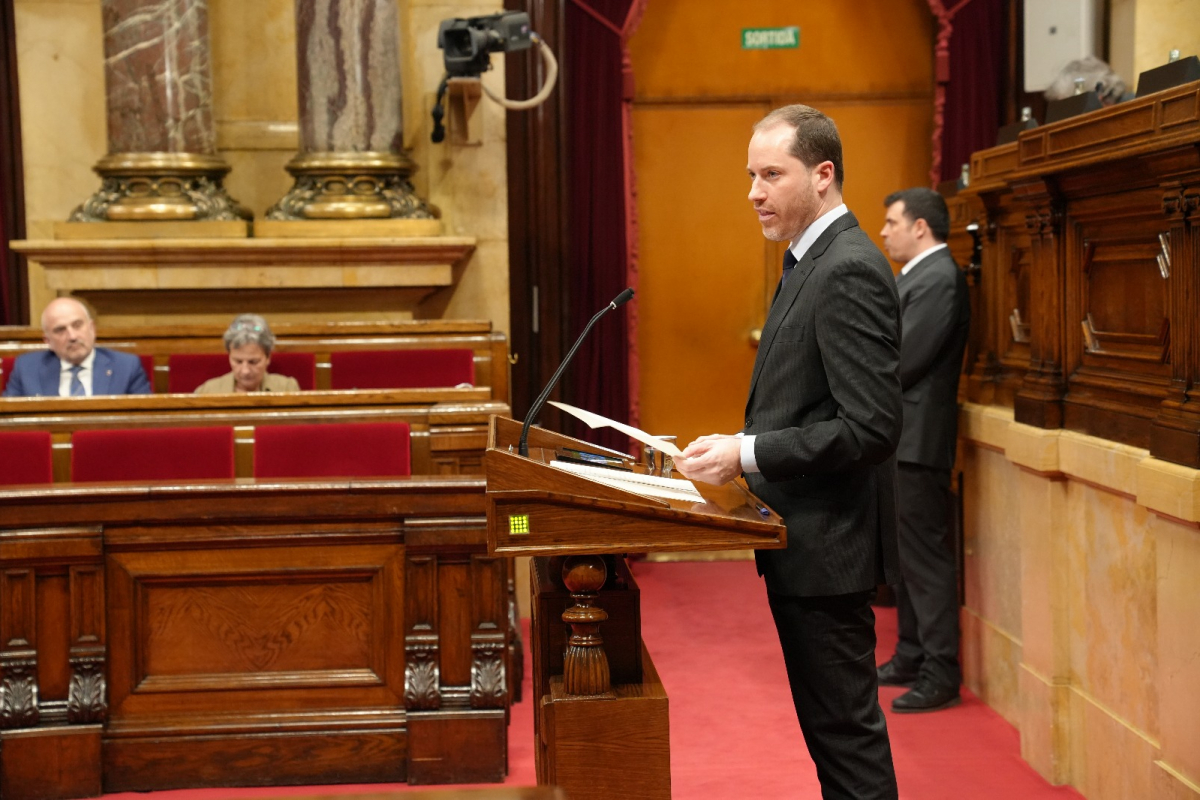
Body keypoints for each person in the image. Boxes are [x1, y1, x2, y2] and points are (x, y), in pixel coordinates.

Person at [674, 104, 902, 799]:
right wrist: (743, 447)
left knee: (846, 744)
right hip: (802, 546)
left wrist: (747, 454)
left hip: (827, 551)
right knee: (832, 742)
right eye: (752, 175)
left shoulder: (848, 269)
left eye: (772, 174)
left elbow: (869, 428)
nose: (754, 191)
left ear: (824, 175)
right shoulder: (811, 260)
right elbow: (804, 402)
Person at [876, 187, 971, 714]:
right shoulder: (918, 275)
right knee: (906, 558)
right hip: (901, 438)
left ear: (920, 228)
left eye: (892, 222)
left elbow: (905, 358)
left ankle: (940, 671)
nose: (885, 231)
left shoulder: (938, 277)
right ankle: (910, 654)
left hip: (918, 440)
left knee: (926, 561)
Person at [2, 297, 150, 397]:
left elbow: (143, 422)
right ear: (48, 341)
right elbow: (8, 421)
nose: (72, 337)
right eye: (60, 330)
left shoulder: (126, 367)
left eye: (77, 325)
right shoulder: (27, 368)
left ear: (92, 329)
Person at [194, 314, 300, 394]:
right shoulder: (207, 391)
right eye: (238, 361)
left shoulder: (287, 388)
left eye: (253, 362)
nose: (245, 371)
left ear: (268, 357)